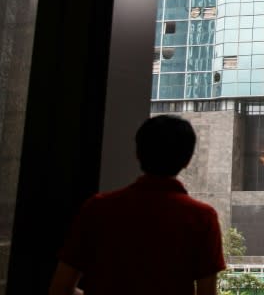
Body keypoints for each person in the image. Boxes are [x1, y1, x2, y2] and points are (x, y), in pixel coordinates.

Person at [49, 115, 227, 295]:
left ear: (137, 154)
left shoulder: (98, 208)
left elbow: (60, 288)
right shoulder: (202, 217)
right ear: (187, 161)